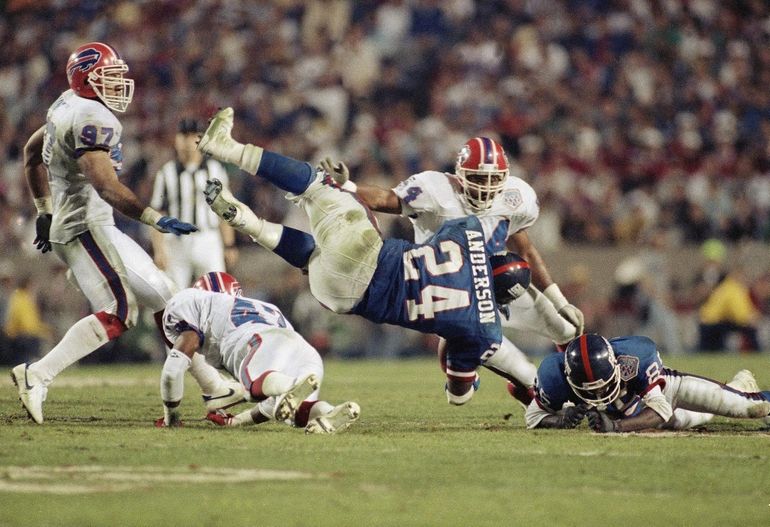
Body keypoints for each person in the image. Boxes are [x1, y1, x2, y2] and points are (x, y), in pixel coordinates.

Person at [198, 107, 532, 405]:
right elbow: (459, 396)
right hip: (342, 299)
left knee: (319, 184)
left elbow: (422, 226)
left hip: (371, 259)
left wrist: (351, 188)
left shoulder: (469, 230)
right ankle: (249, 223)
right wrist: (468, 371)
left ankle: (227, 148)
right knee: (314, 257)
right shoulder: (483, 327)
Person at [10, 42, 243, 424]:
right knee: (120, 311)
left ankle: (213, 386)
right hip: (85, 227)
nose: (118, 84)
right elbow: (106, 186)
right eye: (109, 77)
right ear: (86, 80)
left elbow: (31, 153)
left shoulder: (65, 103)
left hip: (90, 224)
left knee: (168, 297)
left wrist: (43, 209)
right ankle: (36, 375)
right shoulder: (90, 116)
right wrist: (154, 218)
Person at [326, 136, 582, 405]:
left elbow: (526, 250)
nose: (486, 187)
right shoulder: (435, 191)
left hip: (499, 284)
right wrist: (347, 186)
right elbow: (386, 198)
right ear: (460, 175)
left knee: (567, 328)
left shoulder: (516, 197)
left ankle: (577, 385)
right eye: (478, 179)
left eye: (494, 179)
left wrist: (559, 300)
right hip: (454, 295)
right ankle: (479, 371)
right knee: (467, 394)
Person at [157, 271, 360, 433]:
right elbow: (271, 406)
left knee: (255, 387)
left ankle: (291, 385)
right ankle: (331, 412)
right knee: (295, 413)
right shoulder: (266, 308)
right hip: (303, 350)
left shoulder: (194, 302)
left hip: (260, 343)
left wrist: (171, 418)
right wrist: (235, 422)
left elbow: (172, 370)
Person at [525, 333, 770, 432]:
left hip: (666, 394)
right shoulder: (552, 374)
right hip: (644, 415)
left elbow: (662, 409)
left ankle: (743, 391)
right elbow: (533, 417)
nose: (600, 392)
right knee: (689, 420)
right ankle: (739, 384)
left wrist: (616, 428)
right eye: (591, 389)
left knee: (750, 408)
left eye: (604, 384)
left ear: (616, 364)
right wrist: (561, 420)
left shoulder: (635, 357)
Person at [149, 118, 238, 289]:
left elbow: (224, 210)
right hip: (176, 242)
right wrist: (159, 250)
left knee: (217, 292)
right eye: (184, 136)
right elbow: (157, 214)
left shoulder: (215, 170)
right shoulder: (166, 173)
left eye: (193, 136)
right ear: (176, 139)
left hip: (208, 238)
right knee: (173, 294)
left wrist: (229, 244)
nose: (188, 141)